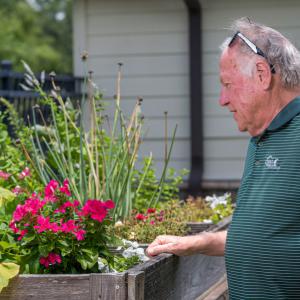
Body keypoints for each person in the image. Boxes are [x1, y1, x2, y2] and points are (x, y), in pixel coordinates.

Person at [146, 17, 300, 299]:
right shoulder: (262, 138)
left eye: (228, 84)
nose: (222, 99)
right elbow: (267, 237)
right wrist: (197, 242)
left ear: (263, 74)